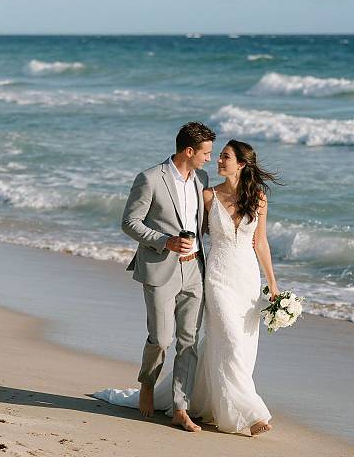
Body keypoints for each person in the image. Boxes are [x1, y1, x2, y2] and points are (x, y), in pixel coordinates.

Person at [94, 138, 281, 436]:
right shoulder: (207, 193)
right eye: (216, 155)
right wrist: (166, 245)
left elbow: (260, 242)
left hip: (246, 278)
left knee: (237, 344)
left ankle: (204, 401)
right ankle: (250, 412)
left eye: (225, 157)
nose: (217, 161)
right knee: (230, 340)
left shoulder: (258, 197)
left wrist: (272, 284)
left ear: (242, 165)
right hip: (217, 276)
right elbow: (185, 223)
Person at [117, 121, 215, 432]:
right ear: (189, 151)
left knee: (189, 342)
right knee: (160, 339)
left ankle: (180, 408)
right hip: (161, 266)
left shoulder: (201, 178)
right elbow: (129, 222)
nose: (209, 159)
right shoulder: (149, 178)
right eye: (206, 153)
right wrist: (165, 241)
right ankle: (147, 383)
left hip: (194, 268)